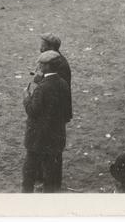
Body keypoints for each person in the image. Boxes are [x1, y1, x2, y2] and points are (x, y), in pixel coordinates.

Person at [22, 50, 73, 193]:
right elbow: (67, 112)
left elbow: (32, 110)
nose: (38, 66)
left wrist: (27, 97)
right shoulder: (63, 84)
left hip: (38, 139)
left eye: (41, 64)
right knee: (52, 174)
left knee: (29, 172)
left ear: (47, 67)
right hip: (55, 138)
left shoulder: (42, 89)